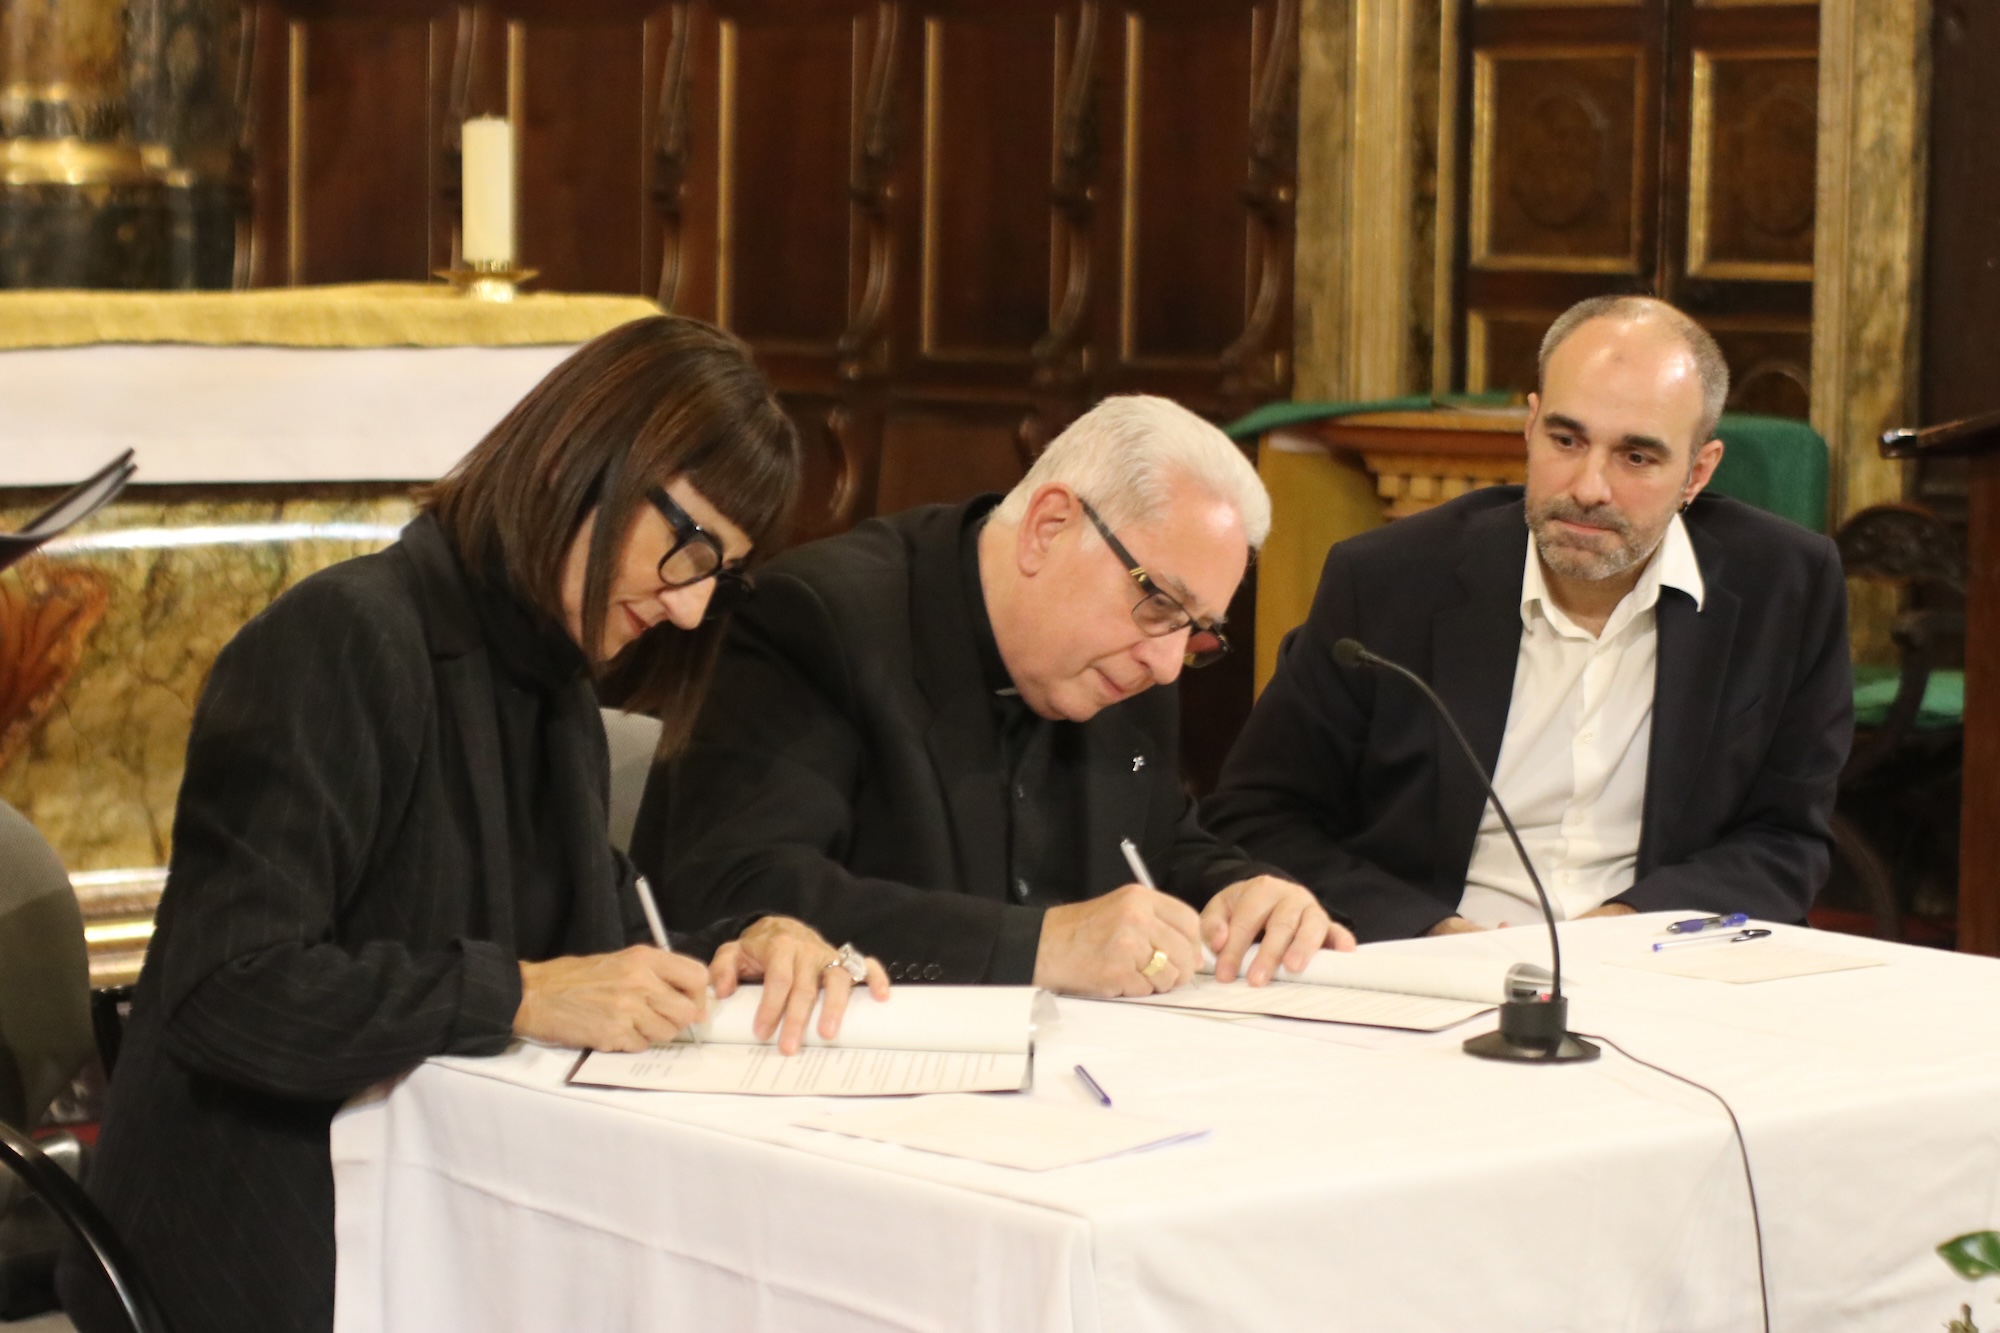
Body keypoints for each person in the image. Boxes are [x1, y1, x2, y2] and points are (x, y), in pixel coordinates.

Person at [60, 317, 888, 1333]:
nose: (688, 608)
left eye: (719, 575)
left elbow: (587, 934)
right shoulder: (342, 640)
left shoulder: (549, 685)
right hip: (257, 1238)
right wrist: (523, 992)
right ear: (589, 461)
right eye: (690, 551)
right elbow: (224, 995)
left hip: (429, 1205)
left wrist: (734, 951)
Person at [637, 394, 1355, 998]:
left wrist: (1244, 889)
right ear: (1048, 526)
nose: (1169, 663)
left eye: (1198, 630)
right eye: (1163, 603)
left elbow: (1156, 837)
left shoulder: (1129, 659)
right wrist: (1038, 944)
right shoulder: (821, 619)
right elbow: (740, 886)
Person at [1204, 296, 1853, 942]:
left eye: (1636, 457)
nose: (1589, 488)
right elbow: (1260, 814)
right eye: (1566, 440)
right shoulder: (1386, 579)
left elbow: (1786, 838)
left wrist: (1618, 931)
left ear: (1697, 471)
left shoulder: (1787, 586)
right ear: (1530, 426)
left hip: (1665, 961)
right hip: (1429, 963)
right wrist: (1432, 932)